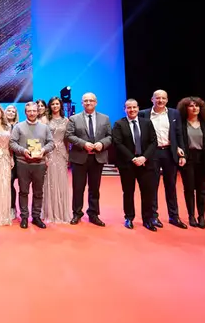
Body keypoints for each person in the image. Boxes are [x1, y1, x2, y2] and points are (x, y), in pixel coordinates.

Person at [138, 90, 187, 228]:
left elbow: (179, 134)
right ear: (152, 99)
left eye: (163, 98)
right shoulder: (143, 114)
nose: (160, 100)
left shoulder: (174, 113)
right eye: (157, 98)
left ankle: (174, 216)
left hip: (169, 152)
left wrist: (182, 153)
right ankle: (153, 216)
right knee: (152, 186)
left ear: (167, 100)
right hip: (152, 153)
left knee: (171, 186)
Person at [66, 92, 112, 226]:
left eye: (91, 100)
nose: (88, 103)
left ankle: (93, 214)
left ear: (96, 102)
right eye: (85, 101)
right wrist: (83, 144)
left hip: (97, 158)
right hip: (79, 157)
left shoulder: (105, 118)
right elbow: (69, 135)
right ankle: (77, 213)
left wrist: (102, 143)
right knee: (78, 188)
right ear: (82, 103)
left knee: (94, 188)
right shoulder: (74, 118)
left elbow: (110, 136)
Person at [112, 99, 158, 231]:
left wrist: (144, 157)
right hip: (127, 164)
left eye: (134, 107)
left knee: (147, 193)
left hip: (145, 163)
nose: (132, 110)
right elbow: (118, 143)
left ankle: (147, 219)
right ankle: (129, 217)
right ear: (124, 109)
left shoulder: (147, 122)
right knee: (128, 192)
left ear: (138, 108)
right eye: (129, 108)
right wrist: (133, 158)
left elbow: (153, 142)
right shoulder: (119, 124)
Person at [9, 102, 55, 228]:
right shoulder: (18, 127)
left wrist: (43, 150)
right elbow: (12, 143)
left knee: (38, 192)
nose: (32, 113)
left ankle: (36, 217)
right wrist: (23, 151)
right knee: (23, 191)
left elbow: (51, 143)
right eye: (29, 111)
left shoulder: (44, 127)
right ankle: (24, 217)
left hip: (39, 164)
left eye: (34, 111)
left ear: (37, 111)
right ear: (25, 112)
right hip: (23, 163)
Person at [177, 97, 205, 228]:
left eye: (197, 106)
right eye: (191, 106)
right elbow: (177, 141)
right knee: (189, 188)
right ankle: (191, 215)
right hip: (188, 158)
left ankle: (201, 216)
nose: (194, 108)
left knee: (202, 189)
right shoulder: (181, 123)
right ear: (185, 109)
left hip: (203, 158)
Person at [41, 96, 71, 224]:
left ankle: (62, 212)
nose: (55, 106)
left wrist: (67, 153)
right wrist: (44, 155)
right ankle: (50, 212)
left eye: (57, 104)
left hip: (62, 152)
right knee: (50, 180)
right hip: (49, 152)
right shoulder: (45, 120)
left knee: (61, 180)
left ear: (60, 105)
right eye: (53, 104)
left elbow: (67, 139)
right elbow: (42, 138)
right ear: (50, 106)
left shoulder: (66, 120)